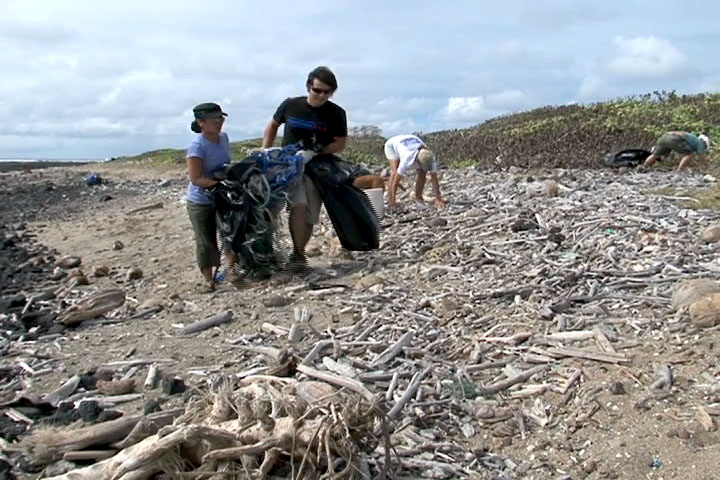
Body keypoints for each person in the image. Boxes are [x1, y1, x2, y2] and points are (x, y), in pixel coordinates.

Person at [261, 66, 348, 271]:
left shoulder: (336, 113)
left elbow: (340, 143)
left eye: (327, 92)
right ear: (309, 86)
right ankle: (264, 253)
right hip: (285, 165)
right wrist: (265, 150)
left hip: (314, 168)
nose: (321, 96)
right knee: (268, 207)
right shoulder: (291, 105)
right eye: (317, 90)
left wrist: (317, 152)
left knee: (303, 209)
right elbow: (273, 125)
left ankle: (298, 254)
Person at [185, 102, 237, 292]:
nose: (219, 122)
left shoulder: (223, 138)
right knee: (205, 240)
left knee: (230, 233)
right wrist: (217, 183)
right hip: (201, 200)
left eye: (221, 118)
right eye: (215, 119)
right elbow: (196, 178)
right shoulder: (197, 146)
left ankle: (232, 271)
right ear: (201, 123)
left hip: (223, 195)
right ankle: (209, 280)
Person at [385, 134, 447, 209]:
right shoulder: (407, 159)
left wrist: (438, 198)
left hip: (410, 140)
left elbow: (434, 178)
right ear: (417, 162)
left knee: (422, 172)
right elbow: (396, 180)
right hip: (392, 144)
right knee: (395, 171)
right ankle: (391, 201)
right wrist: (393, 202)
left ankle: (418, 198)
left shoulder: (430, 157)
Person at [642, 131, 712, 172]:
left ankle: (643, 167)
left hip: (665, 136)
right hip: (674, 138)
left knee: (655, 155)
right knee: (689, 154)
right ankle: (679, 171)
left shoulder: (691, 136)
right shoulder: (698, 142)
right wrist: (706, 166)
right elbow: (702, 155)